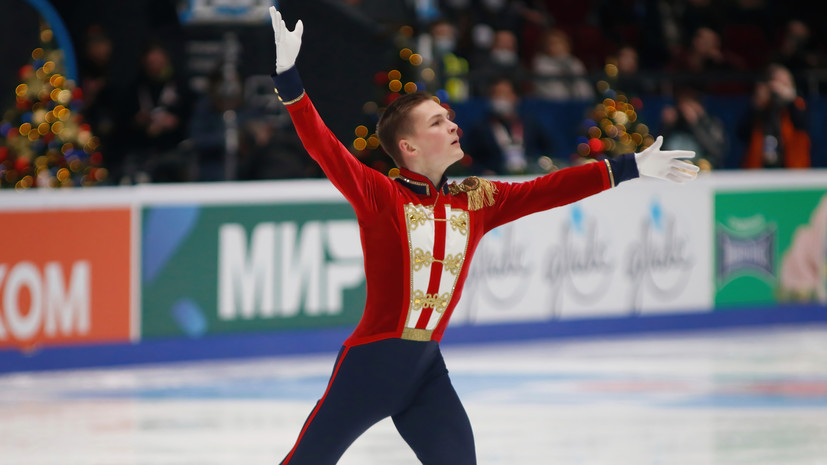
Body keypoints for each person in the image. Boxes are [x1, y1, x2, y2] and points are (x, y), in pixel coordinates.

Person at [268, 7, 699, 464]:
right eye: (436, 122)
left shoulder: (475, 201)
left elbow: (546, 189)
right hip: (370, 368)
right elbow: (324, 146)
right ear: (408, 147)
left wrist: (628, 166)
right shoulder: (382, 197)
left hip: (425, 372)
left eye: (448, 117)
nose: (452, 124)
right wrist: (289, 79)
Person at [738, 63, 811, 169]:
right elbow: (742, 134)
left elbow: (804, 126)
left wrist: (790, 99)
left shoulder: (797, 105)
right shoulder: (759, 106)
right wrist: (757, 106)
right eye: (776, 83)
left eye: (784, 84)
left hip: (792, 169)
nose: (778, 89)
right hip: (759, 170)